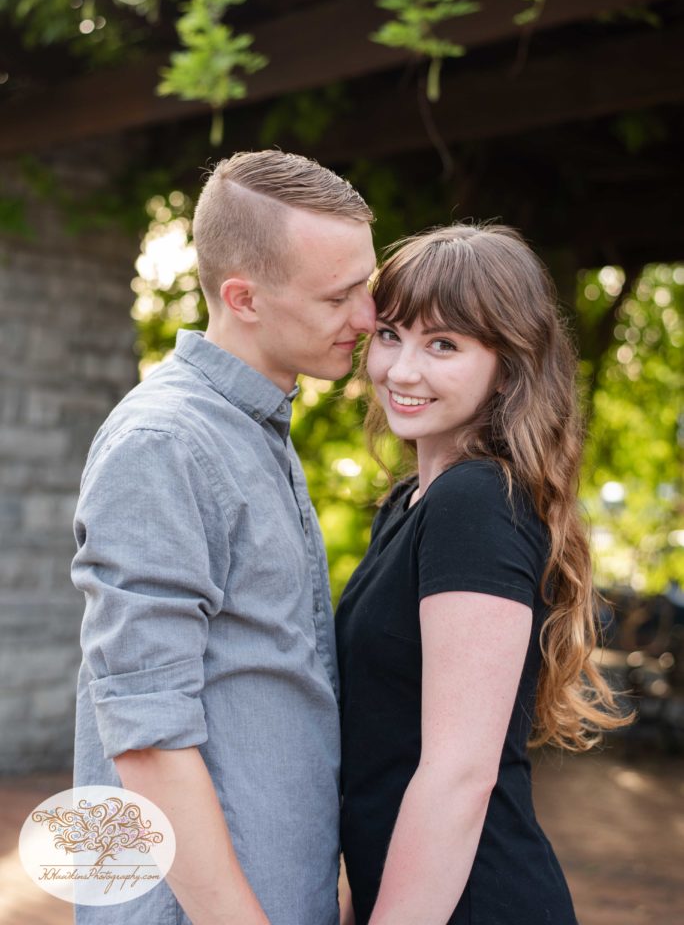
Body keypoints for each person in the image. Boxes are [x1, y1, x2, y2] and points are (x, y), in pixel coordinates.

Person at [71, 150, 377, 925]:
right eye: (340, 295)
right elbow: (146, 734)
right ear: (243, 297)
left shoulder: (254, 430)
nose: (369, 318)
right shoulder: (166, 442)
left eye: (366, 285)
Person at [336, 223, 630, 925]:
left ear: (508, 364)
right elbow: (390, 753)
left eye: (444, 345)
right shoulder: (411, 505)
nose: (402, 371)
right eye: (391, 335)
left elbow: (460, 777)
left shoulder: (476, 504)